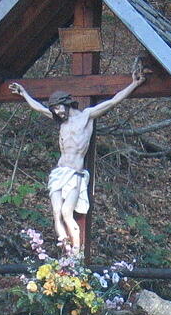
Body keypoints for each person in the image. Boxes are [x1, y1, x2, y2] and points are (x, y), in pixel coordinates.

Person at [8, 66, 146, 251]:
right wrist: (24, 93)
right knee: (57, 214)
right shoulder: (60, 122)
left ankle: (76, 257)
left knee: (67, 213)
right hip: (59, 172)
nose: (57, 112)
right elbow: (38, 108)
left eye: (58, 107)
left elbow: (112, 102)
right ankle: (66, 254)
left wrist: (134, 84)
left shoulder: (86, 116)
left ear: (67, 103)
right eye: (54, 109)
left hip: (75, 173)